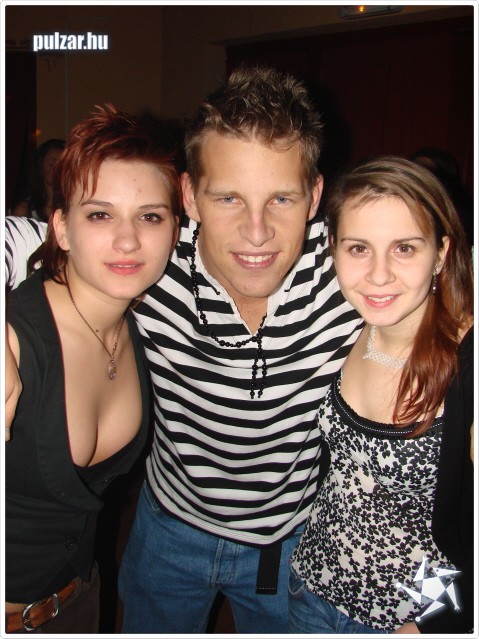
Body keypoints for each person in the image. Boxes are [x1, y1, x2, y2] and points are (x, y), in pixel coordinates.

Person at [4, 66, 362, 634]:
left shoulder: (356, 270)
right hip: (167, 529)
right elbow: (27, 238)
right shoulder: (147, 255)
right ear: (190, 196)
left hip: (286, 540)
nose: (256, 232)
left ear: (314, 196)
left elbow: (444, 273)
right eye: (228, 198)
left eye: (281, 198)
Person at [4, 104, 180, 633]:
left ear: (175, 230)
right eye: (100, 214)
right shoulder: (16, 340)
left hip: (80, 599)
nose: (128, 240)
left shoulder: (140, 325)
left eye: (150, 216)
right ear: (60, 227)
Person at [289, 156, 474, 635]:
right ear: (333, 248)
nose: (378, 275)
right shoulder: (346, 325)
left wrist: (433, 623)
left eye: (404, 248)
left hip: (402, 619)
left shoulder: (468, 363)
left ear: (441, 253)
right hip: (310, 587)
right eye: (358, 248)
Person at [411, 147, 474, 248]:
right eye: (416, 168)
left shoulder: (458, 213)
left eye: (428, 170)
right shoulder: (404, 202)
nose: (420, 174)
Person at [12, 138, 66, 221]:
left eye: (62, 165)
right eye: (52, 163)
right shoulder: (25, 210)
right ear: (40, 165)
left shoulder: (72, 204)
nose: (56, 169)